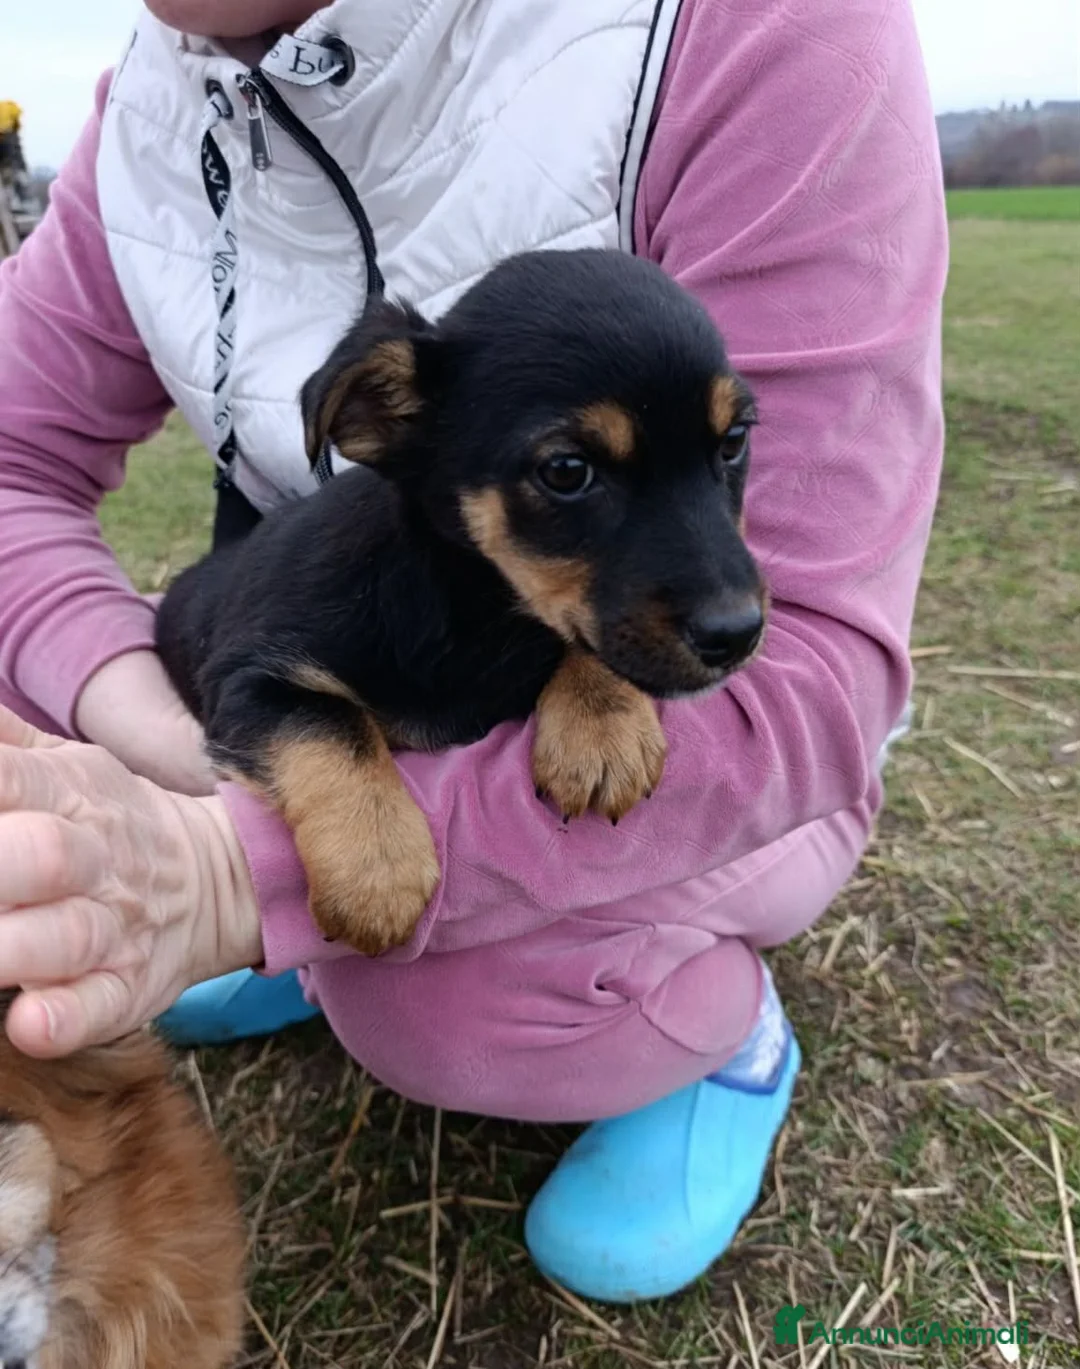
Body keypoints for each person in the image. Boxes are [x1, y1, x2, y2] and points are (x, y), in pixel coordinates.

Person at [0, 0, 946, 1303]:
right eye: (571, 472)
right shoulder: (147, 117)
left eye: (728, 447)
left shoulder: (768, 31)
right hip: (299, 659)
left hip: (765, 775)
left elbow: (812, 663)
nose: (730, 594)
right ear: (378, 422)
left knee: (426, 1000)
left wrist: (236, 876)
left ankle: (715, 1034)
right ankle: (307, 955)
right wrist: (144, 735)